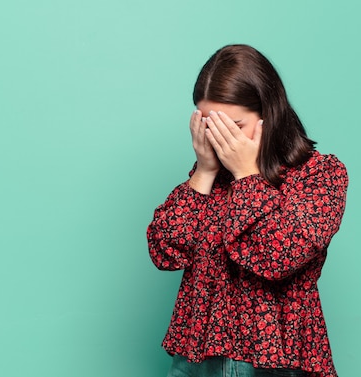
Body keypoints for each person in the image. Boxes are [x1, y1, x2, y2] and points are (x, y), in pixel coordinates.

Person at [147, 44, 349, 377]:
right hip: (197, 359)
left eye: (234, 126)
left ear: (269, 115)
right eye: (210, 127)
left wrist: (246, 176)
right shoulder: (209, 178)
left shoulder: (320, 175)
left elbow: (278, 257)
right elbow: (164, 251)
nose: (222, 140)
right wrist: (204, 171)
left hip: (276, 361)